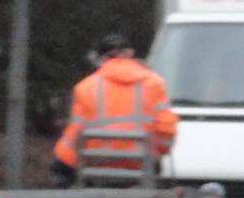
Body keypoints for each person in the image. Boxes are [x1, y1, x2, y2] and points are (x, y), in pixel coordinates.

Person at [50, 33, 178, 187]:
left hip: (97, 169)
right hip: (142, 169)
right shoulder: (155, 84)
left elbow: (75, 134)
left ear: (101, 58)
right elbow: (166, 130)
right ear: (130, 54)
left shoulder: (85, 88)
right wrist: (159, 152)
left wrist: (62, 166)